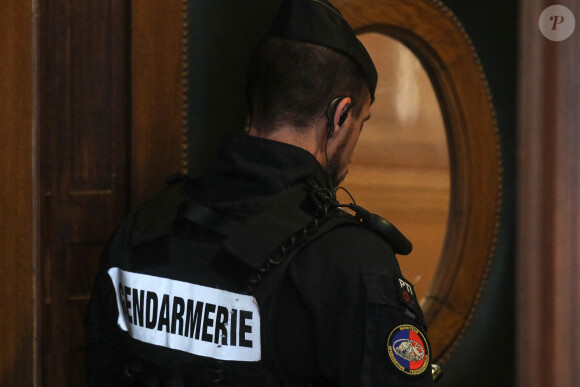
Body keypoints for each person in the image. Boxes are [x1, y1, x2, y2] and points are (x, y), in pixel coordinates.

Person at [85, 0, 434, 385]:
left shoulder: (145, 224)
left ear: (257, 100)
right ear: (340, 116)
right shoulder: (350, 259)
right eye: (360, 124)